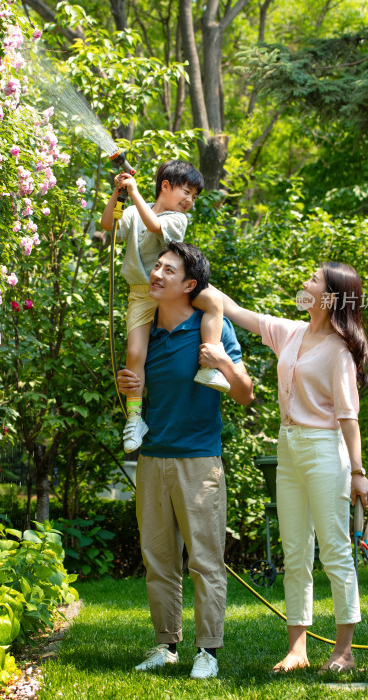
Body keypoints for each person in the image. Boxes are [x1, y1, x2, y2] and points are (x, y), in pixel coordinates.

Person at [216, 262, 368, 674]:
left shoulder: (339, 350)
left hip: (324, 449)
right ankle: (297, 650)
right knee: (295, 551)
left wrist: (357, 471)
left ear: (331, 296)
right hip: (289, 446)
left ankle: (344, 651)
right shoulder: (291, 331)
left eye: (314, 279)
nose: (305, 282)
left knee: (335, 553)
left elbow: (348, 416)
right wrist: (194, 280)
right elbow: (235, 311)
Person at [117, 241, 254, 679]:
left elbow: (246, 394)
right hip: (153, 459)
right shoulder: (145, 330)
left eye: (168, 270)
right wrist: (127, 383)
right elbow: (137, 390)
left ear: (189, 285)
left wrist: (224, 365)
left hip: (199, 462)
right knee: (158, 559)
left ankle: (208, 652)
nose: (156, 274)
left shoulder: (211, 328)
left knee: (205, 561)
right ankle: (165, 645)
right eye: (156, 266)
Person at [101, 160, 230, 454]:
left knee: (212, 300)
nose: (190, 201)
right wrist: (118, 192)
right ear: (165, 187)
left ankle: (209, 366)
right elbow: (108, 224)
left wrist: (133, 193)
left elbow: (155, 225)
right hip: (142, 293)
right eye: (186, 192)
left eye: (194, 197)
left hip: (172, 290)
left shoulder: (177, 219)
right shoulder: (133, 210)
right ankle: (135, 418)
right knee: (135, 353)